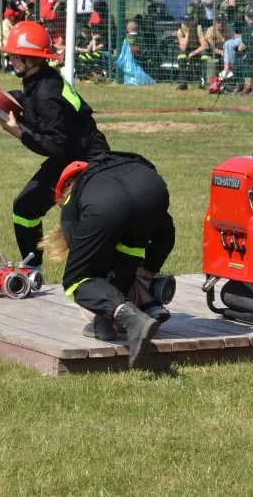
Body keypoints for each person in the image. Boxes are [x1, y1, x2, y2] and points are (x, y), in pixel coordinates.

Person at [0, 20, 110, 276]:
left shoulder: (47, 93)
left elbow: (55, 144)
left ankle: (101, 275)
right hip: (70, 153)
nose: (11, 59)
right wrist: (11, 98)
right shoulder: (41, 80)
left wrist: (19, 134)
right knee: (25, 207)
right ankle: (32, 266)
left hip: (87, 159)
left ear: (32, 59)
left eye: (16, 56)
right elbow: (35, 107)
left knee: (80, 221)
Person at [40, 153, 177, 368]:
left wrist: (103, 301)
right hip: (153, 188)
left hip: (107, 203)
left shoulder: (73, 196)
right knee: (130, 252)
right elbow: (166, 235)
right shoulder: (117, 169)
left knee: (77, 280)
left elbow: (86, 261)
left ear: (64, 188)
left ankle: (132, 319)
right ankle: (109, 321)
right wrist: (148, 272)